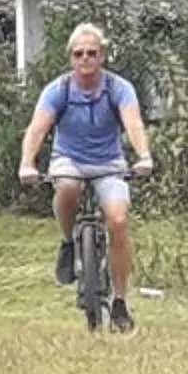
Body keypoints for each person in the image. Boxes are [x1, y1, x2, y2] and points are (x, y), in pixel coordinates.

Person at [15, 23, 156, 330]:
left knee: (118, 221)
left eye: (92, 53)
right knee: (66, 189)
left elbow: (133, 125)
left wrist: (143, 156)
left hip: (109, 162)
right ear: (70, 59)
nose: (85, 59)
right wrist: (27, 163)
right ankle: (68, 242)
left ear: (102, 56)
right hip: (69, 160)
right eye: (79, 54)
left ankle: (119, 301)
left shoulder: (119, 88)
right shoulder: (58, 90)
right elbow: (37, 129)